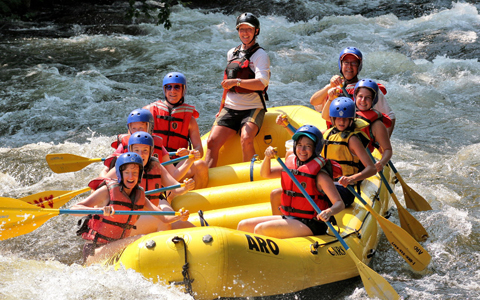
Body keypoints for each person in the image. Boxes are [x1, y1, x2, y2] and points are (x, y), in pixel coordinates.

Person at [72, 152, 190, 265]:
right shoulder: (107, 191)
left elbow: (163, 218)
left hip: (117, 244)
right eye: (127, 172)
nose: (130, 176)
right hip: (95, 251)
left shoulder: (139, 195)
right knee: (141, 238)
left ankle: (168, 260)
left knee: (153, 228)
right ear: (119, 173)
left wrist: (179, 216)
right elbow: (74, 209)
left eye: (135, 172)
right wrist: (99, 210)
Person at [237, 125, 345, 238]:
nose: (302, 150)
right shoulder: (291, 166)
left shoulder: (321, 175)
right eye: (299, 145)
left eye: (307, 146)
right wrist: (267, 157)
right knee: (243, 225)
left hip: (311, 223)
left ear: (315, 148)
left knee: (261, 229)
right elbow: (266, 174)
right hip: (291, 217)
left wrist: (329, 212)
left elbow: (339, 203)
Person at [89, 132, 195, 233]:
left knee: (184, 224)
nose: (141, 154)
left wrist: (186, 187)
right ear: (130, 150)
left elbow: (175, 188)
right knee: (162, 222)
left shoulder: (156, 166)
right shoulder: (121, 168)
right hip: (127, 218)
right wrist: (100, 210)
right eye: (137, 150)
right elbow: (97, 190)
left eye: (145, 150)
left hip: (150, 212)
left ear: (151, 152)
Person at [205, 12, 271, 167]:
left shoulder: (261, 55)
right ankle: (206, 179)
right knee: (212, 141)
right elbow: (227, 85)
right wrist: (221, 109)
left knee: (246, 137)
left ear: (256, 31)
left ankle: (249, 178)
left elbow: (262, 83)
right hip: (230, 107)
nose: (245, 33)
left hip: (252, 107)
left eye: (248, 29)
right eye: (241, 29)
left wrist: (238, 82)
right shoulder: (232, 53)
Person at [100, 108, 203, 189]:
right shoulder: (124, 146)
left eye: (141, 128)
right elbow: (106, 172)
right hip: (130, 190)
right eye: (134, 128)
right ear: (129, 129)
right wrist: (102, 182)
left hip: (154, 189)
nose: (137, 131)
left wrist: (189, 160)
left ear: (149, 128)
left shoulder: (157, 146)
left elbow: (173, 176)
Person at [309, 47, 396, 136]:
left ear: (359, 66)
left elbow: (391, 116)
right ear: (341, 65)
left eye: (354, 63)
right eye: (346, 62)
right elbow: (314, 101)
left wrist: (383, 145)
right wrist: (330, 87)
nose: (349, 67)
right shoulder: (334, 87)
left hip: (358, 138)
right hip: (334, 135)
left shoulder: (367, 89)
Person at [144, 72, 208, 189]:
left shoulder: (190, 120)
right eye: (169, 87)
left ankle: (198, 202)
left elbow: (199, 149)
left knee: (201, 165)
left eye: (177, 87)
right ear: (164, 89)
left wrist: (190, 153)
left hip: (178, 165)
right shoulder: (149, 112)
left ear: (183, 90)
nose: (172, 91)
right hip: (156, 162)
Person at [320, 97, 377, 207]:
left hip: (345, 190)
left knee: (316, 196)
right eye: (338, 118)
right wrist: (286, 125)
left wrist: (351, 178)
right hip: (327, 184)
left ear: (351, 120)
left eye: (346, 119)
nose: (342, 122)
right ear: (332, 119)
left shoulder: (352, 140)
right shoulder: (327, 133)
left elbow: (372, 168)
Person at [353, 79, 393, 172]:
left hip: (361, 164)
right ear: (355, 97)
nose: (363, 100)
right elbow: (326, 116)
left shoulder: (376, 125)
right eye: (360, 96)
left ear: (373, 100)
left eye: (368, 97)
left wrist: (382, 163)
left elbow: (388, 149)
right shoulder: (348, 114)